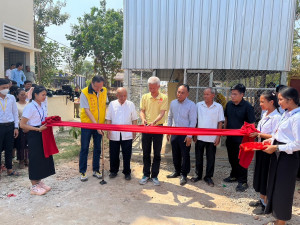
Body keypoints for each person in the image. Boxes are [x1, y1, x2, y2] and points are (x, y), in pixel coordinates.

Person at [262, 87, 300, 225]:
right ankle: (277, 218)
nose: (279, 102)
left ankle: (281, 222)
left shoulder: (297, 117)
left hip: (288, 159)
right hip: (279, 155)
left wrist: (277, 147)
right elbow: (281, 134)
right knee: (275, 186)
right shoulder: (286, 113)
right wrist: (271, 140)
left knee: (283, 189)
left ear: (290, 100)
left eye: (281, 99)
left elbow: (298, 144)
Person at [248, 91, 281, 215]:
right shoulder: (265, 113)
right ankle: (261, 199)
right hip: (261, 147)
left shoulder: (276, 117)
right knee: (260, 172)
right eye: (260, 101)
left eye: (263, 102)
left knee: (266, 174)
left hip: (269, 150)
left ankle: (266, 205)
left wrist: (259, 134)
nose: (260, 104)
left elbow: (275, 135)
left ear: (271, 102)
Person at [20, 86, 54, 195]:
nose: (45, 97)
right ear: (36, 95)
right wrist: (37, 129)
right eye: (42, 95)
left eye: (45, 95)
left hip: (43, 132)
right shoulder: (30, 107)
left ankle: (39, 181)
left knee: (42, 158)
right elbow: (22, 125)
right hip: (34, 133)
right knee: (34, 159)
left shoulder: (42, 105)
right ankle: (34, 185)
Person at [223, 84, 255, 192]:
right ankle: (234, 176)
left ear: (242, 94)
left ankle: (243, 181)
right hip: (230, 138)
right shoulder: (229, 105)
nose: (232, 96)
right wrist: (225, 131)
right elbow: (226, 118)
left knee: (241, 160)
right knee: (232, 159)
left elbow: (251, 124)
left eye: (235, 94)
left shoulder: (248, 107)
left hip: (242, 140)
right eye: (231, 94)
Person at [191, 87, 224, 187]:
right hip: (200, 137)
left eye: (207, 94)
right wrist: (195, 134)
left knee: (211, 158)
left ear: (213, 95)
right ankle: (198, 175)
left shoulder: (218, 107)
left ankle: (208, 177)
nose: (205, 96)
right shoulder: (198, 105)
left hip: (212, 138)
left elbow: (220, 123)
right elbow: (195, 120)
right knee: (198, 157)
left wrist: (218, 136)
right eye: (204, 94)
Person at [139, 76, 168, 186]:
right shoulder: (145, 97)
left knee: (157, 153)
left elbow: (162, 113)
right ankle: (146, 174)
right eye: (150, 88)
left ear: (158, 87)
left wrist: (154, 122)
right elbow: (142, 111)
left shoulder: (163, 98)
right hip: (146, 127)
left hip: (158, 127)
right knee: (145, 152)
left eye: (154, 88)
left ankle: (154, 176)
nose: (151, 90)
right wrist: (143, 119)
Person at [166, 84, 197, 186]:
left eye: (182, 92)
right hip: (174, 133)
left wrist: (189, 136)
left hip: (185, 135)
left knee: (185, 155)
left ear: (187, 94)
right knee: (175, 154)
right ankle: (177, 171)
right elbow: (170, 117)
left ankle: (184, 174)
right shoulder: (173, 103)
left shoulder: (191, 105)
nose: (179, 94)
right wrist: (168, 131)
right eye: (178, 92)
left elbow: (193, 122)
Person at [106, 87, 138, 180]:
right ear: (117, 95)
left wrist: (134, 131)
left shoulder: (130, 104)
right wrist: (108, 131)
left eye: (125, 96)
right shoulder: (112, 104)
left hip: (127, 134)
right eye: (121, 96)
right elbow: (108, 119)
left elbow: (134, 119)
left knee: (127, 154)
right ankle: (113, 171)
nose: (123, 98)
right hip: (114, 134)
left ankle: (127, 172)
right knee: (113, 154)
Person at [79, 76, 107, 182]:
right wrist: (97, 126)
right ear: (92, 83)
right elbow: (87, 111)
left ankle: (96, 170)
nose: (98, 89)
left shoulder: (104, 91)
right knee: (85, 148)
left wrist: (103, 124)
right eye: (96, 87)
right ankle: (83, 171)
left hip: (100, 124)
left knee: (98, 148)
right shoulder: (84, 92)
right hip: (87, 125)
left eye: (101, 86)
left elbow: (104, 106)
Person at [0, 78, 19, 176]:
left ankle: (9, 169)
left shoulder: (11, 97)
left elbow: (15, 113)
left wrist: (16, 127)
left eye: (7, 87)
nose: (6, 89)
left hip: (10, 126)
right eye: (3, 87)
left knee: (9, 148)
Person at [16, 89, 29, 169]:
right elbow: (15, 116)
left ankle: (27, 159)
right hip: (20, 126)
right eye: (21, 94)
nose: (23, 96)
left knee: (28, 144)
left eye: (24, 94)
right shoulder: (15, 105)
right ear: (17, 96)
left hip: (29, 126)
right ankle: (21, 160)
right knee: (21, 144)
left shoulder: (29, 104)